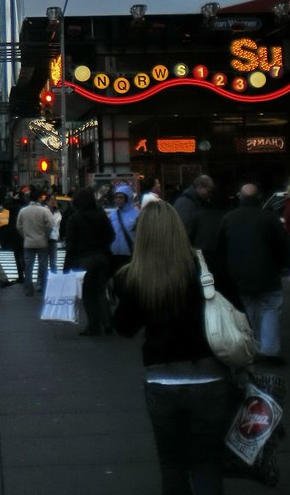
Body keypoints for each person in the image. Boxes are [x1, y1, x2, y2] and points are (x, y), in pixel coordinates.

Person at [113, 201, 233, 494]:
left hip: (162, 378)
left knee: (172, 462)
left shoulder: (135, 276)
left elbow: (124, 328)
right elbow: (235, 306)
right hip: (210, 374)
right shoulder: (205, 266)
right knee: (207, 461)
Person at [216, 183, 290, 366]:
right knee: (270, 309)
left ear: (240, 198)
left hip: (238, 275)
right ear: (259, 198)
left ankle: (250, 347)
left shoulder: (229, 218)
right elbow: (282, 246)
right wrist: (283, 265)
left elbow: (221, 248)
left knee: (247, 310)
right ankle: (269, 350)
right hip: (267, 273)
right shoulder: (270, 218)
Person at [64, 187, 115, 335]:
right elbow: (111, 235)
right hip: (102, 257)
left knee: (88, 293)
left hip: (84, 260)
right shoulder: (101, 215)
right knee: (100, 291)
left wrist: (67, 265)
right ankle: (108, 323)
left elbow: (70, 244)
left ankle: (94, 326)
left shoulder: (74, 219)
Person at [16, 186, 54, 297]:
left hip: (28, 242)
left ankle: (28, 290)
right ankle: (42, 286)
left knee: (28, 267)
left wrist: (25, 235)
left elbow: (19, 226)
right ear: (39, 199)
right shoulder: (44, 211)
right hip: (42, 241)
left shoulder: (23, 211)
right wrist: (45, 235)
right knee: (43, 265)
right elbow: (50, 225)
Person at [173, 175, 221, 265]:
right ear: (200, 188)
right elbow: (184, 231)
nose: (210, 195)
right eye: (209, 191)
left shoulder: (190, 201)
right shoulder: (187, 204)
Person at [107, 184, 140, 274]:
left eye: (121, 197)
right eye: (116, 197)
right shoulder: (112, 214)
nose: (118, 200)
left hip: (130, 254)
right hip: (114, 254)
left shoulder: (137, 214)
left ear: (127, 198)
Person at [46, 194, 62, 273]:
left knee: (53, 262)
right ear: (47, 201)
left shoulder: (57, 212)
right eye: (51, 200)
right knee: (43, 262)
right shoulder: (44, 210)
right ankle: (41, 281)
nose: (53, 201)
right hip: (44, 238)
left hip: (54, 238)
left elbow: (57, 224)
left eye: (54, 200)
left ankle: (54, 279)